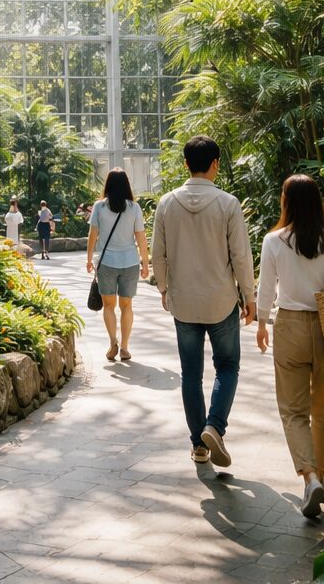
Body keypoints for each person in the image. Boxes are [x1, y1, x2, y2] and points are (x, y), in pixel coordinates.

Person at [256, 174, 324, 518]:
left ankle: (309, 476)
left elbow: (266, 288)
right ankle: (323, 477)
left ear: (286, 202)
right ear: (317, 202)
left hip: (289, 326)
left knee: (293, 409)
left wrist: (260, 323)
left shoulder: (274, 241)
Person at [152, 134, 256, 467]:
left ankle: (198, 445)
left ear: (186, 164)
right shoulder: (228, 204)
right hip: (221, 300)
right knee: (227, 366)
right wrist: (249, 295)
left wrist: (165, 288)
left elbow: (158, 254)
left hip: (183, 301)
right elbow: (241, 256)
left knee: (190, 374)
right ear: (215, 164)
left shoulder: (166, 203)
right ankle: (215, 425)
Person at [85, 168, 149, 361]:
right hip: (129, 262)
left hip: (107, 264)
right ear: (127, 185)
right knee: (127, 306)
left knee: (109, 306)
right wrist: (145, 263)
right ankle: (125, 347)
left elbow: (92, 235)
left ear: (108, 185)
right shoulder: (134, 208)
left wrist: (89, 259)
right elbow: (141, 237)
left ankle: (113, 342)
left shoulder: (99, 207)